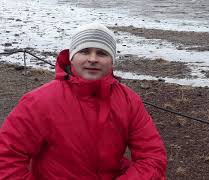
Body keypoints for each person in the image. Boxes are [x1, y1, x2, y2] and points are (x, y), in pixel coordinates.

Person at [0, 23, 167, 179]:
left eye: (101, 53)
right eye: (85, 51)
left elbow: (152, 156)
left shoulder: (129, 101)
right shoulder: (38, 101)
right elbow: (7, 157)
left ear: (112, 61)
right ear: (72, 57)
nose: (93, 59)